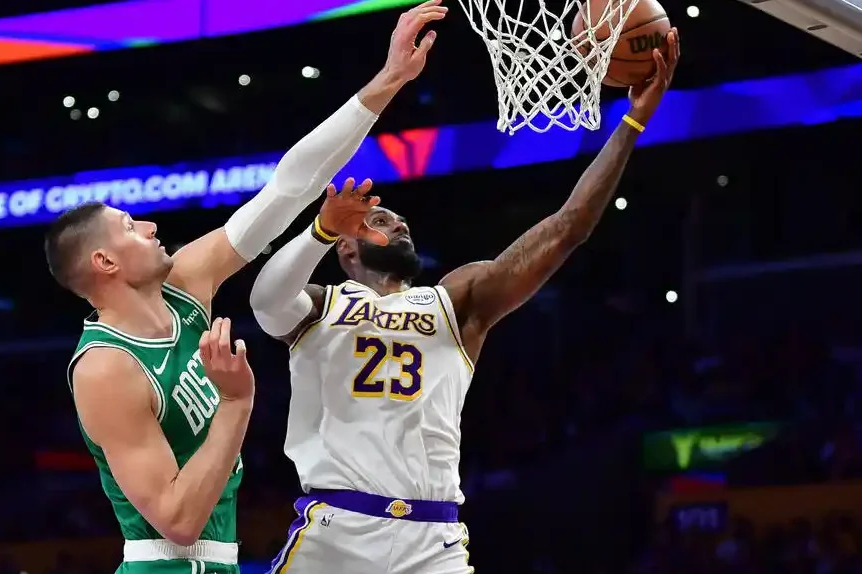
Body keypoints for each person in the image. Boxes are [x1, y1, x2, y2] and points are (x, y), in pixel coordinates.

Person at [249, 29, 681, 574]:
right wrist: (319, 231)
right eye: (380, 219)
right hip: (338, 531)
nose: (398, 223)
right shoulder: (320, 306)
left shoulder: (455, 302)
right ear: (347, 248)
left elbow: (567, 227)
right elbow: (266, 300)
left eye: (400, 219)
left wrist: (632, 122)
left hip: (433, 539)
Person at [43, 3, 446, 573]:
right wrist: (237, 402)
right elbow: (178, 519)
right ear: (105, 262)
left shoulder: (185, 284)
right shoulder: (105, 368)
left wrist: (387, 82)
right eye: (131, 227)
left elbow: (287, 188)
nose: (151, 226)